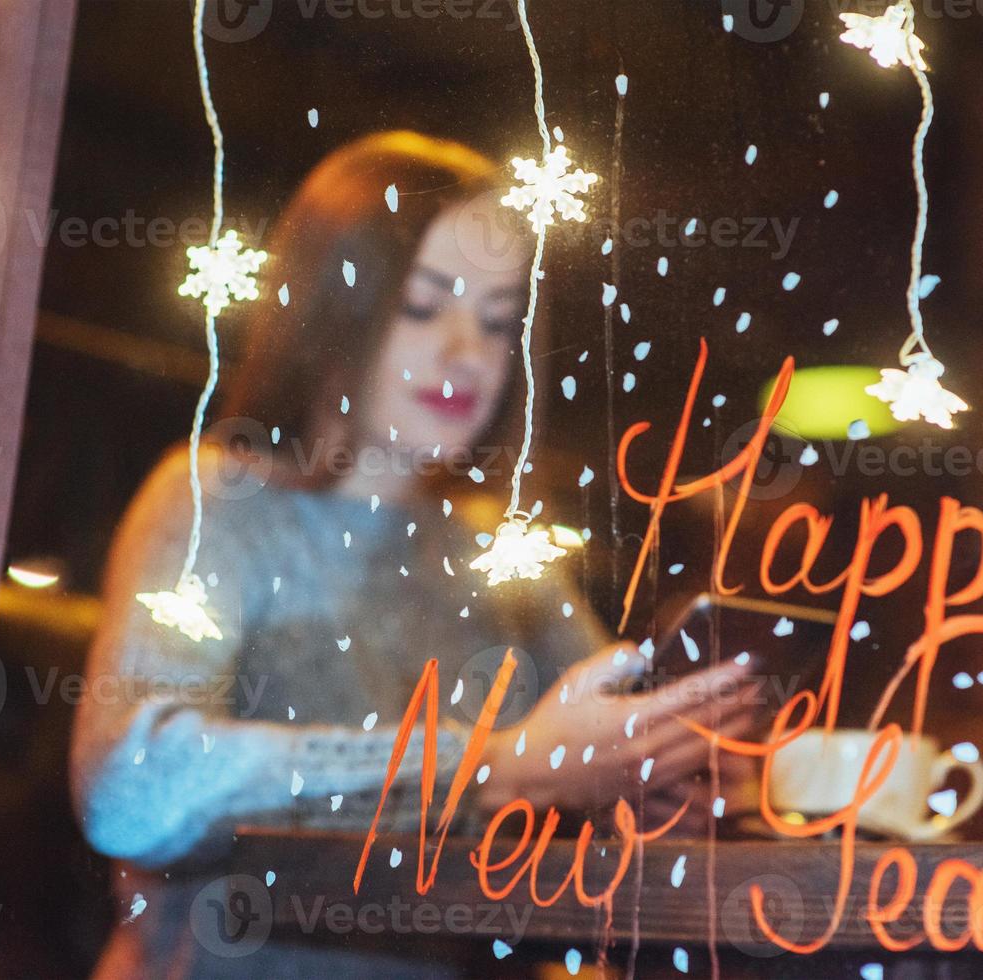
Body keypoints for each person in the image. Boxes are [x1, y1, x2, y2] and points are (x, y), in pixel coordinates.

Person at [70, 131, 758, 979]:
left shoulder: (500, 559)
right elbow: (131, 792)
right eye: (424, 307)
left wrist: (647, 783)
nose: (466, 351)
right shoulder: (219, 503)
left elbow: (587, 762)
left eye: (497, 320)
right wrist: (490, 770)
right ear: (334, 310)